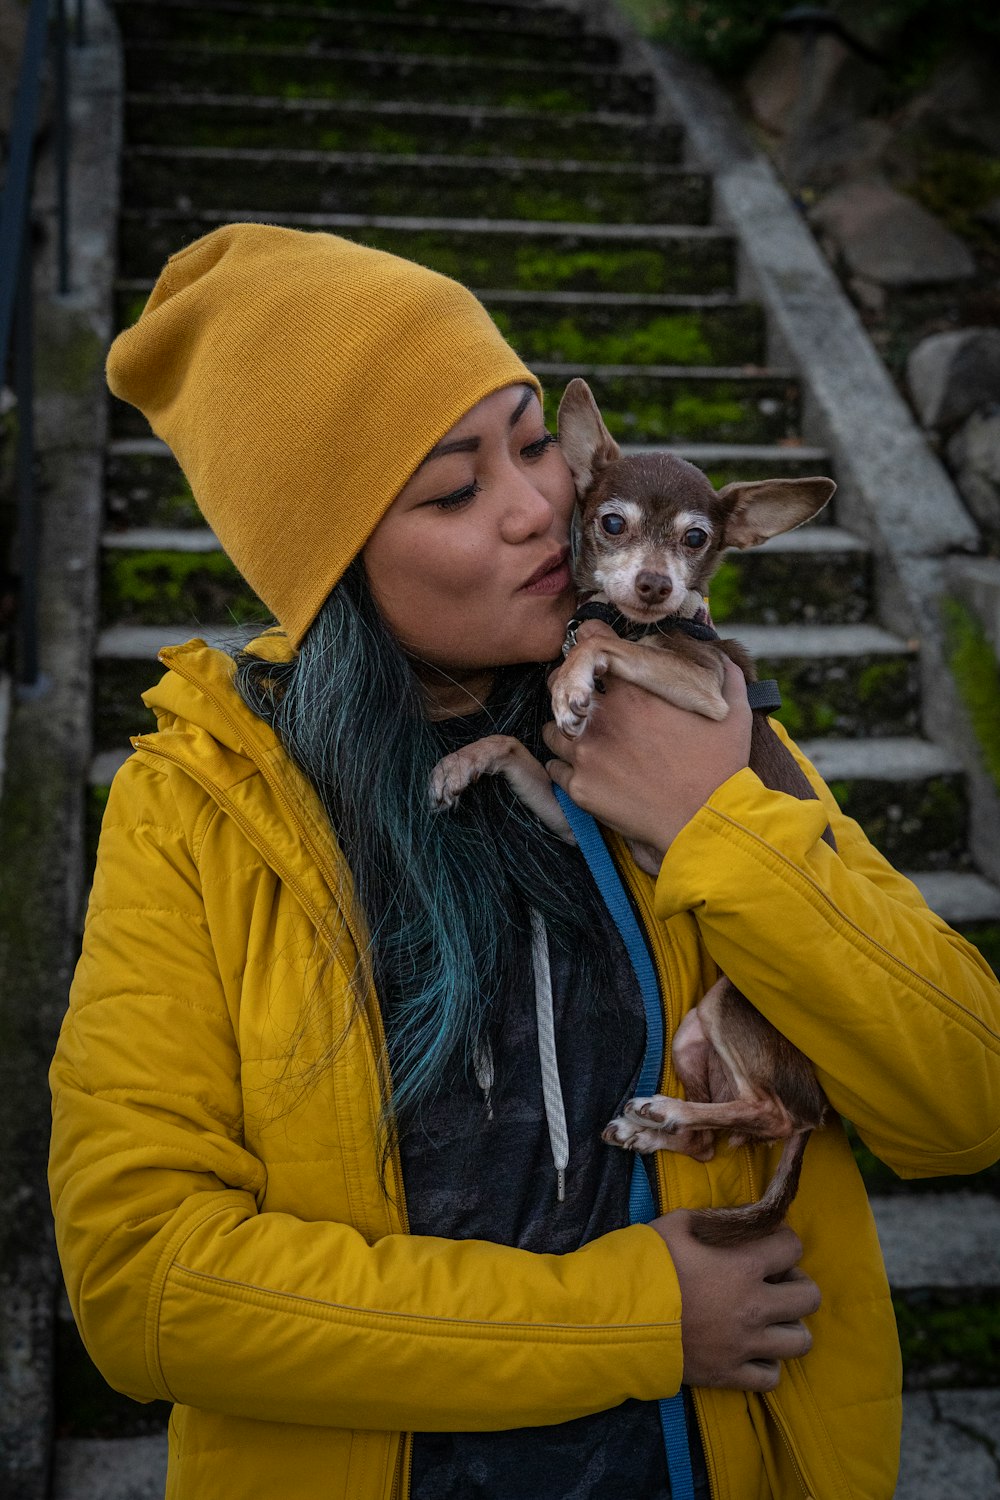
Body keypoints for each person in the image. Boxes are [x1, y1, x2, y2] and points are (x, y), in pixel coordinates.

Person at [49, 223, 1000, 1500]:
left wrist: (718, 822)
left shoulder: (683, 718)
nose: (537, 506)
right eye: (451, 489)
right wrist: (626, 1320)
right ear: (327, 558)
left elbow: (962, 1104)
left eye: (532, 436)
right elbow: (145, 1287)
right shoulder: (198, 808)